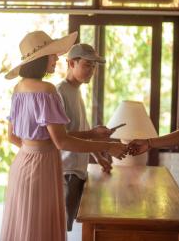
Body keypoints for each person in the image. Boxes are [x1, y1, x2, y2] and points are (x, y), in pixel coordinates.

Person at [0, 30, 128, 241]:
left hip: (21, 167)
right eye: (52, 54)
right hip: (42, 168)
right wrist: (106, 145)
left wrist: (34, 148)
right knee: (40, 230)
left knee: (26, 228)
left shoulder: (18, 89)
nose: (57, 57)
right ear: (40, 59)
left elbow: (12, 137)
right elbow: (61, 141)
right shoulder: (47, 90)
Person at [56, 43, 115, 231]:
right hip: (67, 172)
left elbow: (83, 128)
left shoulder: (77, 91)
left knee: (68, 227)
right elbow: (60, 136)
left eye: (94, 66)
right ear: (71, 63)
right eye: (87, 65)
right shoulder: (59, 92)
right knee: (61, 229)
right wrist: (93, 134)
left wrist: (98, 158)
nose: (92, 70)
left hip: (79, 171)